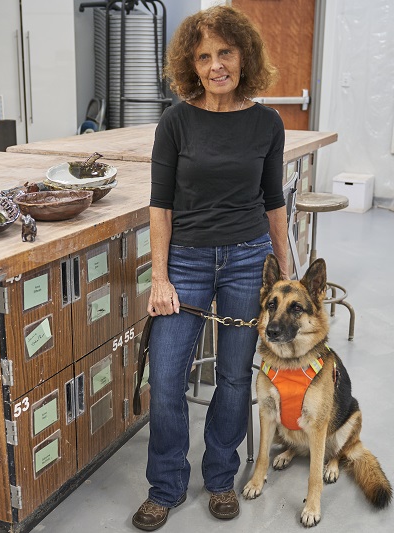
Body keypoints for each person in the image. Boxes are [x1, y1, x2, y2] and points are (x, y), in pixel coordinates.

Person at [132, 5, 290, 531]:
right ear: (190, 65)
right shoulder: (176, 120)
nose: (216, 65)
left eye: (225, 52)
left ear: (244, 55)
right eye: (204, 56)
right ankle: (167, 486)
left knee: (232, 377)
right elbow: (160, 205)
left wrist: (283, 280)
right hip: (186, 262)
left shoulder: (268, 122)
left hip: (248, 260)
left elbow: (273, 204)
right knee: (168, 377)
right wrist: (159, 277)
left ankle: (221, 477)